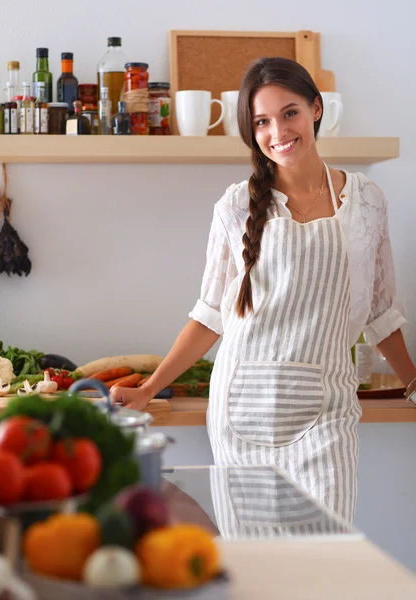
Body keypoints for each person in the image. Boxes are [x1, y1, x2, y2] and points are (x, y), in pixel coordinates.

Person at [111, 57, 416, 524]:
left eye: (289, 112)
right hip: (243, 413)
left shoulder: (367, 199)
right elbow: (211, 314)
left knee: (327, 562)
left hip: (327, 413)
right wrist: (150, 388)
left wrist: (412, 382)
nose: (278, 131)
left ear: (316, 109)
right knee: (256, 564)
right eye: (262, 121)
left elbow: (379, 309)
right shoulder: (236, 205)